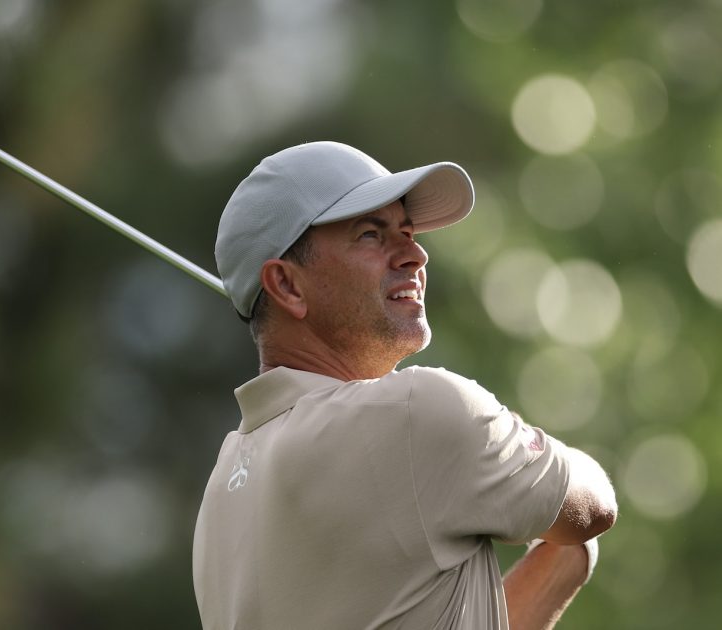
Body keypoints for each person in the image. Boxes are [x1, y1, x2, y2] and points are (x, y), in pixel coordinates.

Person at [193, 141, 617, 629]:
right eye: (371, 235)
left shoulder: (222, 485)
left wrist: (569, 558)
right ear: (287, 286)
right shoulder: (419, 410)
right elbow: (595, 506)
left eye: (408, 232)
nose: (414, 255)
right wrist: (518, 438)